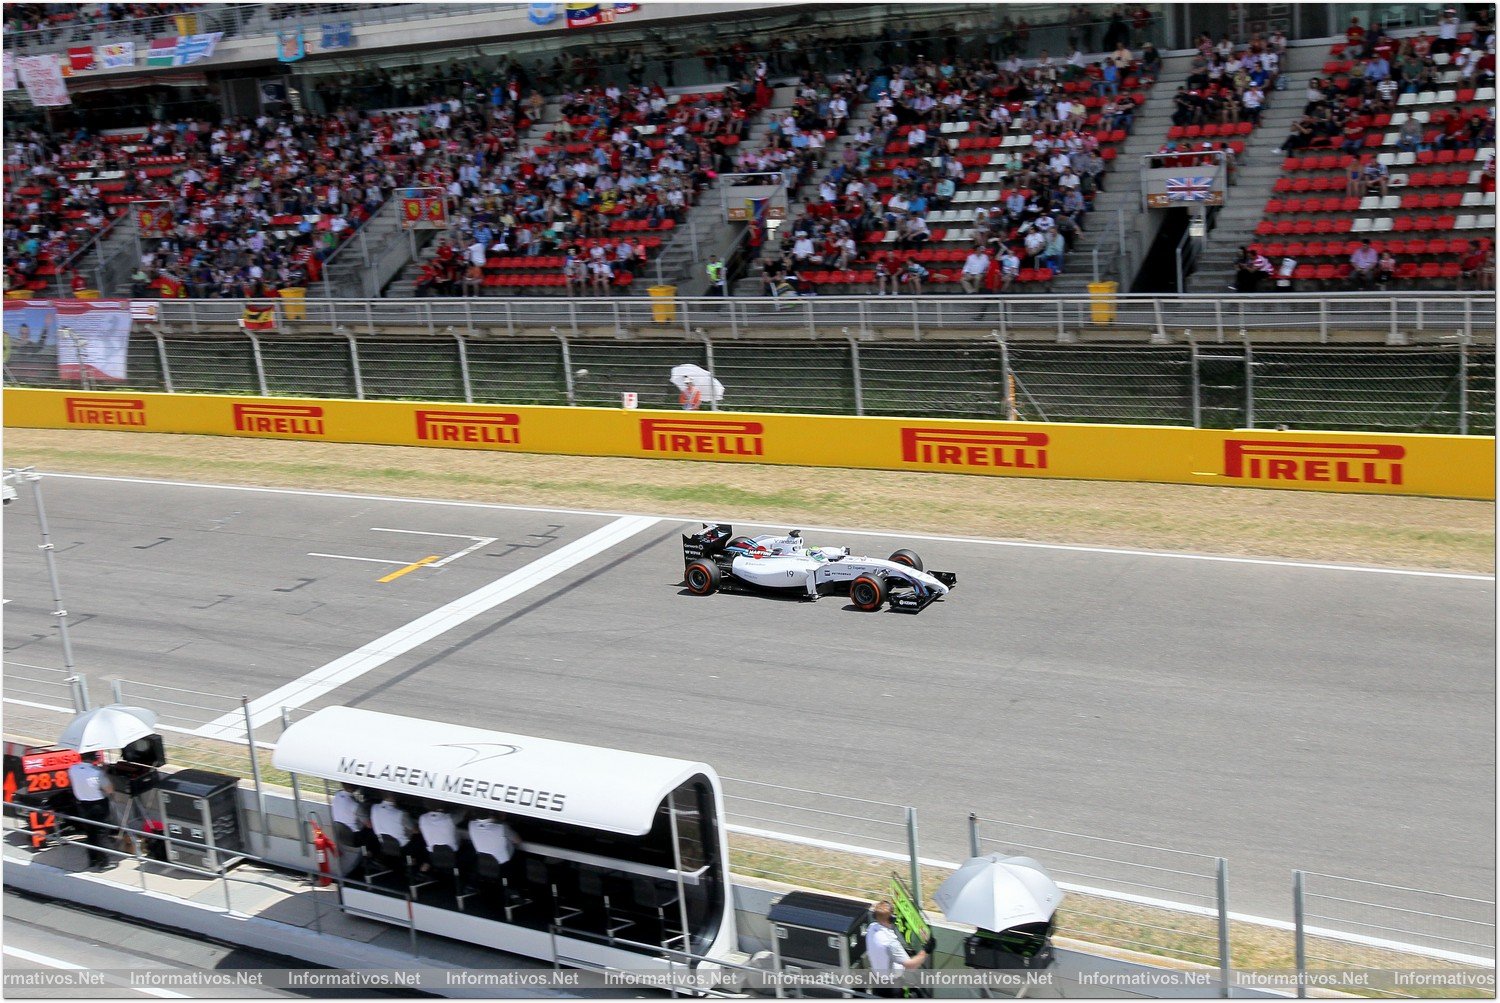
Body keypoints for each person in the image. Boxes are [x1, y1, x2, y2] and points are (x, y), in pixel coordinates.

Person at [865, 900, 933, 998]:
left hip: (877, 984)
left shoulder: (871, 928)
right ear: (892, 918)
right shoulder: (890, 942)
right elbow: (911, 966)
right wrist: (926, 950)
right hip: (892, 988)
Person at [68, 755, 116, 869]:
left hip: (82, 805)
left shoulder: (72, 769)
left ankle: (92, 859)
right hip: (98, 805)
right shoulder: (97, 773)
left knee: (90, 833)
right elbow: (109, 790)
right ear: (94, 758)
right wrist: (104, 772)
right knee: (101, 832)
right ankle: (104, 861)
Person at [371, 794, 424, 866]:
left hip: (385, 843)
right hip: (404, 847)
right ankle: (419, 863)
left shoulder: (374, 807)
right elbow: (416, 830)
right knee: (420, 837)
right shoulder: (401, 814)